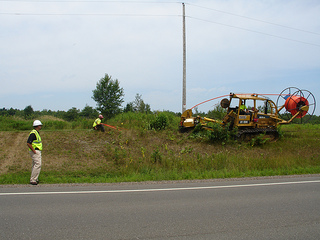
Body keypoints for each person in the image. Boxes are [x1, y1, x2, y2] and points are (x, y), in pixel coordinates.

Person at [27, 120, 43, 185]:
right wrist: (34, 151)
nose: (41, 126)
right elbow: (28, 143)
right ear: (38, 126)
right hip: (35, 151)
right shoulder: (33, 133)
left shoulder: (36, 132)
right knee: (38, 164)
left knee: (35, 165)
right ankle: (33, 179)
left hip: (36, 151)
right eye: (40, 125)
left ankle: (35, 179)